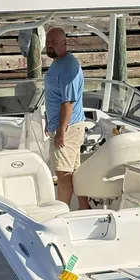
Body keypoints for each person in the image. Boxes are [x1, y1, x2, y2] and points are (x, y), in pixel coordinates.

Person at [43, 27, 89, 209]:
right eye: (47, 42)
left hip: (67, 128)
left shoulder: (69, 66)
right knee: (75, 172)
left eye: (53, 42)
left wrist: (61, 131)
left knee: (63, 174)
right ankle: (84, 207)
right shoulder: (58, 62)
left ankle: (62, 211)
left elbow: (67, 102)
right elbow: (53, 96)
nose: (49, 46)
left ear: (64, 43)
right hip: (66, 125)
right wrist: (49, 120)